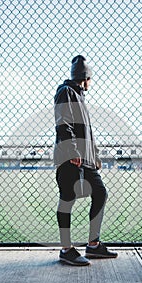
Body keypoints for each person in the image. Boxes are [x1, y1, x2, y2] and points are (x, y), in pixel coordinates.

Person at [54, 55, 118, 266]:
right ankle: (66, 249)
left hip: (85, 159)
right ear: (85, 77)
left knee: (100, 193)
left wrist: (95, 155)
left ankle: (93, 245)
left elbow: (87, 133)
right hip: (71, 158)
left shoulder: (80, 97)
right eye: (91, 78)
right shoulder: (66, 92)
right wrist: (72, 151)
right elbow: (63, 123)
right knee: (67, 199)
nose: (92, 82)